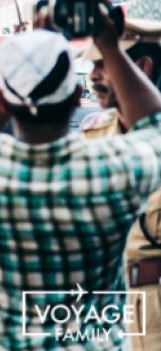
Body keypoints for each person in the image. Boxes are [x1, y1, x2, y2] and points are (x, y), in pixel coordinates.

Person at [0, 17, 161, 348]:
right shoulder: (115, 168)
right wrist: (110, 46)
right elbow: (155, 126)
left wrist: (26, 66)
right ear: (76, 97)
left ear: (5, 99)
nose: (98, 73)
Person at [80, 18, 161, 351]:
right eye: (94, 65)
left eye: (105, 63)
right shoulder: (91, 136)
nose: (95, 75)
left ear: (142, 66)